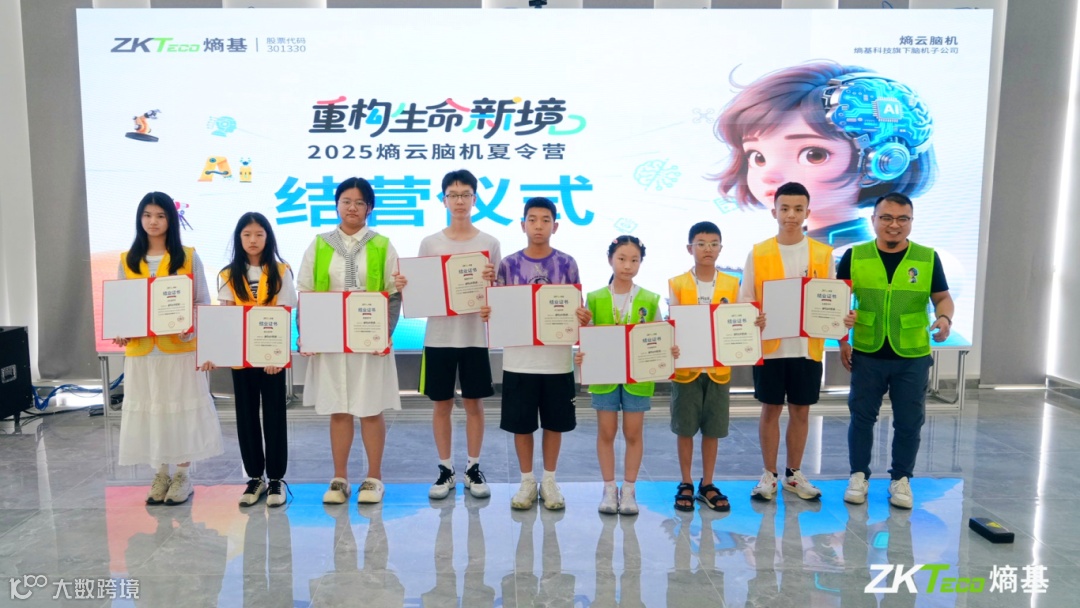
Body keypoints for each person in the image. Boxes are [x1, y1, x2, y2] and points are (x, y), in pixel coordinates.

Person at [713, 60, 937, 249]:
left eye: (814, 155)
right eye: (757, 157)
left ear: (881, 162)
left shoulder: (861, 258)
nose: (769, 175)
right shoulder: (774, 251)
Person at [838, 192, 953, 509]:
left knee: (909, 421)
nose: (894, 225)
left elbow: (942, 297)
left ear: (911, 222)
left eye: (903, 219)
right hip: (867, 351)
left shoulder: (927, 258)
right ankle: (858, 476)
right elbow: (836, 302)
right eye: (886, 218)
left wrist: (944, 318)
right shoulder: (855, 256)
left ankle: (901, 479)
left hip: (912, 354)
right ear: (873, 220)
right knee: (862, 418)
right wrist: (842, 341)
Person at [740, 182, 854, 503]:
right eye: (785, 208)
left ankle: (793, 474)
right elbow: (745, 299)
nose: (791, 215)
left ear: (807, 213)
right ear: (774, 211)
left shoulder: (822, 253)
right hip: (771, 346)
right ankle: (768, 474)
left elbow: (831, 298)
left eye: (798, 209)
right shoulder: (758, 252)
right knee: (770, 408)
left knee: (801, 410)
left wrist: (842, 324)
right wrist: (754, 317)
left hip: (807, 347)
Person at [392, 169, 501, 500]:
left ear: (475, 199)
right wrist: (405, 284)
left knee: (474, 403)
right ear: (443, 200)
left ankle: (473, 468)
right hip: (438, 337)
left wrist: (492, 286)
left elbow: (498, 293)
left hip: (474, 336)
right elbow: (421, 289)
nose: (459, 201)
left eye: (465, 194)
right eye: (453, 195)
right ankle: (445, 470)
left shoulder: (489, 243)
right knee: (441, 404)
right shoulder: (431, 242)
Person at [296, 177, 402, 505]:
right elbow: (306, 292)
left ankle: (374, 478)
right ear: (337, 205)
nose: (352, 208)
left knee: (370, 408)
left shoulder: (382, 244)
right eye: (346, 201)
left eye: (359, 202)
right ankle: (339, 478)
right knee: (338, 408)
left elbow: (393, 294)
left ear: (370, 208)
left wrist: (384, 333)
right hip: (330, 340)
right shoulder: (320, 244)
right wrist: (306, 333)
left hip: (369, 341)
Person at [113, 191, 223, 505]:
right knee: (153, 413)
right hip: (142, 353)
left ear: (171, 220)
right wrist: (120, 331)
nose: (153, 221)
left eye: (160, 216)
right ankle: (160, 473)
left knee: (180, 411)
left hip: (179, 350)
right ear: (140, 219)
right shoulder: (127, 259)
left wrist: (190, 325)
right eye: (147, 215)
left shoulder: (187, 256)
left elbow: (202, 301)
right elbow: (121, 305)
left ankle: (183, 476)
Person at [481, 197, 591, 510]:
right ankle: (527, 481)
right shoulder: (508, 264)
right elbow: (499, 308)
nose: (538, 226)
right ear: (522, 225)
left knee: (555, 423)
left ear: (555, 226)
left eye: (545, 220)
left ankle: (550, 480)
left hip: (557, 361)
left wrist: (582, 317)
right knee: (522, 424)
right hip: (519, 361)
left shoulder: (567, 263)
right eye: (532, 219)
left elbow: (576, 308)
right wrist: (490, 312)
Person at [200, 212, 296, 508]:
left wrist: (277, 354)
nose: (253, 240)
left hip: (271, 360)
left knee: (275, 416)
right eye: (247, 234)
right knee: (246, 416)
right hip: (241, 360)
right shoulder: (229, 274)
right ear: (238, 238)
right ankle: (255, 478)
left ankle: (276, 479)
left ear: (268, 238)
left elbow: (283, 314)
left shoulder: (281, 271)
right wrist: (214, 353)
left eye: (259, 234)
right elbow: (225, 318)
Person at [577, 235, 676, 515]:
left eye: (634, 260)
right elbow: (586, 336)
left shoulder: (649, 298)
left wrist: (668, 349)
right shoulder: (595, 297)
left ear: (641, 263)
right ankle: (609, 489)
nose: (628, 265)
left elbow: (659, 336)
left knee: (633, 432)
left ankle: (630, 490)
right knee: (606, 432)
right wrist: (582, 353)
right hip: (605, 375)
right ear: (610, 259)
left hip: (638, 377)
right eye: (621, 259)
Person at [667, 221, 759, 512]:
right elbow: (674, 325)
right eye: (701, 244)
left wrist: (754, 322)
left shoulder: (732, 283)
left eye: (714, 244)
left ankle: (707, 483)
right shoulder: (677, 283)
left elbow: (740, 319)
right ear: (689, 248)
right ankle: (685, 481)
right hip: (687, 369)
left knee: (713, 429)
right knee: (685, 429)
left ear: (721, 248)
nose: (708, 249)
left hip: (719, 369)